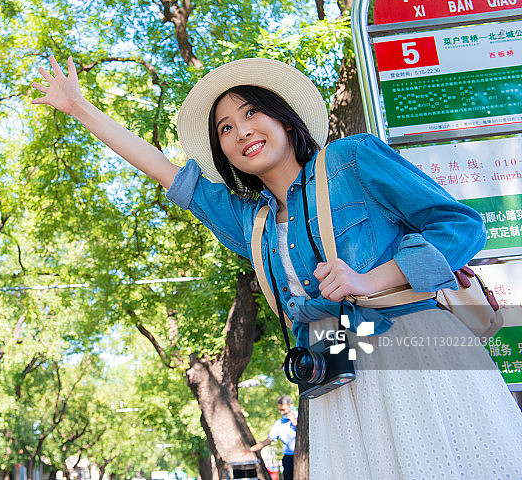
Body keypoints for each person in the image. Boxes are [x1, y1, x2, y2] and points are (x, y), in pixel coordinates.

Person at [32, 56, 522, 478]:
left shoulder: (352, 160)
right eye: (225, 128)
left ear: (284, 119)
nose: (241, 130)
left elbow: (461, 227)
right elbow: (160, 167)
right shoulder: (252, 221)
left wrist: (371, 278)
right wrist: (78, 107)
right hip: (334, 375)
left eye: (251, 112)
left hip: (411, 350)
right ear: (223, 152)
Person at [250, 396, 296, 480]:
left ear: (291, 406)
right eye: (280, 410)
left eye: (284, 409)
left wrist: (294, 421)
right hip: (289, 457)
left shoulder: (301, 418)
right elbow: (268, 440)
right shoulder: (279, 424)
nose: (282, 413)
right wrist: (251, 449)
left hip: (302, 456)